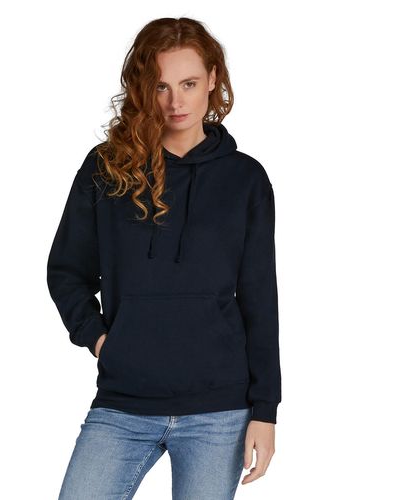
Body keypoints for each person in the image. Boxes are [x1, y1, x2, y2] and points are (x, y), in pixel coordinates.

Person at [47, 16, 282, 500]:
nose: (176, 102)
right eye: (161, 86)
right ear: (143, 89)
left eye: (189, 84)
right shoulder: (107, 168)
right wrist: (100, 340)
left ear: (213, 79)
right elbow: (66, 271)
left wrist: (265, 410)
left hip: (219, 410)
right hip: (123, 402)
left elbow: (260, 298)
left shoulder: (245, 180)